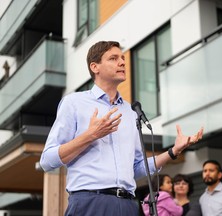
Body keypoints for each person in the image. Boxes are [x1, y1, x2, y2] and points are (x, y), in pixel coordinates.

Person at [40, 41, 204, 216]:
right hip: (90, 203)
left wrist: (173, 151)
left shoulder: (130, 112)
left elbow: (137, 168)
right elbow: (47, 160)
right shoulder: (74, 103)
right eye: (113, 58)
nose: (122, 62)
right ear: (95, 67)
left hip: (128, 205)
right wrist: (90, 135)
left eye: (123, 58)